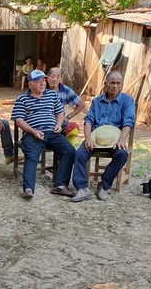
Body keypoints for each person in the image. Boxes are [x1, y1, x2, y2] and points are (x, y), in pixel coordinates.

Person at [71, 71, 136, 202]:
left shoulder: (127, 100)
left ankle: (104, 185)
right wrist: (88, 138)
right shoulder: (96, 101)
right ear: (105, 84)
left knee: (122, 154)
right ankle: (82, 189)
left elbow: (129, 121)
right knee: (79, 154)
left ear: (122, 85)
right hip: (96, 138)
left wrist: (122, 139)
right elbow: (88, 120)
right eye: (112, 83)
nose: (115, 86)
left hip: (115, 139)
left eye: (118, 83)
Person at [11, 69, 76, 199]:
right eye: (38, 81)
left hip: (52, 132)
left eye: (43, 81)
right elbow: (19, 120)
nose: (42, 84)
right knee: (32, 155)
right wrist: (33, 131)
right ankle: (28, 189)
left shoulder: (52, 95)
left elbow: (60, 113)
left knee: (70, 150)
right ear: (30, 84)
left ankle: (60, 185)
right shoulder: (22, 99)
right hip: (32, 133)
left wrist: (58, 124)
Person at [46, 67, 86, 134]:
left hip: (60, 122)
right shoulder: (42, 89)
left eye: (58, 77)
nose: (55, 79)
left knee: (73, 128)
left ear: (61, 79)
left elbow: (82, 104)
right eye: (52, 76)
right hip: (44, 121)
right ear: (47, 77)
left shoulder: (65, 90)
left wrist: (68, 117)